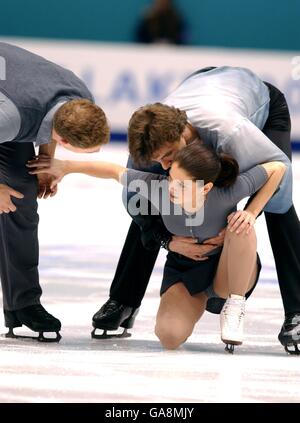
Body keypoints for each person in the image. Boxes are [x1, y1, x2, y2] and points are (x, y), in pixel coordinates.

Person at [93, 66, 300, 355]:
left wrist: (246, 216)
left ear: (182, 132)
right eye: (157, 160)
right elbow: (137, 206)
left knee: (278, 207)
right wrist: (167, 238)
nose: (164, 165)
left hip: (259, 105)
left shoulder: (230, 134)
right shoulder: (150, 144)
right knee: (155, 198)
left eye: (167, 155)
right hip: (203, 84)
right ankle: (123, 300)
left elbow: (279, 179)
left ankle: (297, 311)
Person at [27, 140, 286, 352]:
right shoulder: (159, 188)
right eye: (172, 178)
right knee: (169, 336)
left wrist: (251, 211)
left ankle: (236, 306)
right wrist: (66, 166)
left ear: (206, 188)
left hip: (227, 271)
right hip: (185, 272)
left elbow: (277, 167)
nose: (173, 188)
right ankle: (195, 302)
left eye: (182, 185)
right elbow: (112, 171)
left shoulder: (227, 192)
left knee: (241, 226)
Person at [0, 42, 109, 342]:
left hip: (13, 96)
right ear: (64, 137)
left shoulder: (82, 98)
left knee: (20, 197)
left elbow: (49, 123)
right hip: (10, 106)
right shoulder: (10, 118)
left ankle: (23, 304)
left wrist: (47, 160)